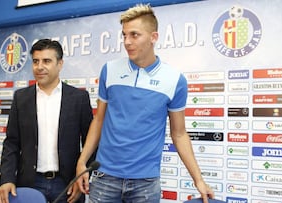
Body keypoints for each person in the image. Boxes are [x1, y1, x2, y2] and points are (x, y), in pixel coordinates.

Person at [75, 4, 215, 203]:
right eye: (124, 35)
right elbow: (99, 120)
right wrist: (82, 162)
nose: (127, 42)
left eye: (134, 35)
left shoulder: (174, 80)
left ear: (153, 37)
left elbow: (179, 133)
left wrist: (198, 180)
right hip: (105, 177)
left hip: (145, 184)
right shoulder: (109, 70)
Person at [0, 39, 94, 203]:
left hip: (67, 184)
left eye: (47, 61)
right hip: (30, 183)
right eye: (36, 61)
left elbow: (90, 141)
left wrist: (82, 177)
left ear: (60, 64)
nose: (39, 67)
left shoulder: (79, 98)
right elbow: (11, 143)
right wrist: (6, 179)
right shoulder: (21, 98)